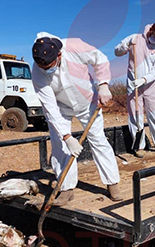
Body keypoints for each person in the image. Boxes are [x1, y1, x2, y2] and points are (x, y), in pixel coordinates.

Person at [31, 32, 122, 206]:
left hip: (87, 103)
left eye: (49, 66)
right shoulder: (37, 71)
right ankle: (66, 188)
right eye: (43, 68)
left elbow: (100, 59)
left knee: (98, 140)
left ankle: (112, 183)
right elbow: (49, 107)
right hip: (60, 107)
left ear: (59, 55)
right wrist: (67, 136)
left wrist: (103, 85)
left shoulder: (75, 47)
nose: (46, 70)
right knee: (60, 144)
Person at [114, 21, 155, 158]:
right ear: (151, 31)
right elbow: (117, 52)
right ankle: (139, 146)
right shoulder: (135, 39)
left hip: (151, 85)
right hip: (133, 86)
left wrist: (144, 79)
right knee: (136, 115)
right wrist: (126, 45)